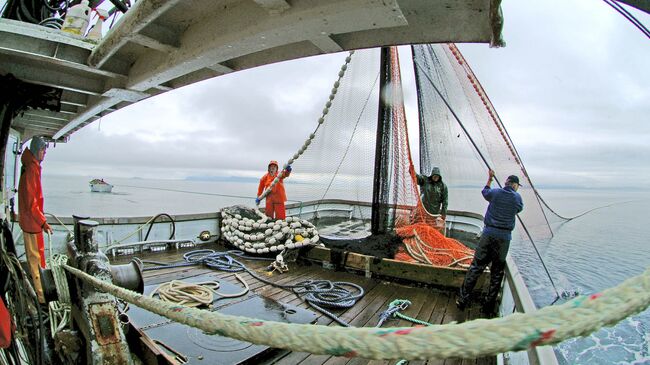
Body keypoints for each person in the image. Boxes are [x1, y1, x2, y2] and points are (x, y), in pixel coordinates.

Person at [456, 169, 523, 313]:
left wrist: (490, 179)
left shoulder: (495, 193)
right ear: (514, 185)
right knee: (497, 272)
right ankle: (488, 306)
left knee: (476, 267)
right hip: (504, 239)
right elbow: (519, 209)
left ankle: (462, 300)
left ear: (506, 183)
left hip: (488, 235)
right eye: (517, 185)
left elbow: (485, 191)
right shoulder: (517, 198)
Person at [18, 136, 52, 304]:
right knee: (36, 261)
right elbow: (32, 202)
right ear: (36, 150)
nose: (44, 153)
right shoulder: (32, 169)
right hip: (32, 224)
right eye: (43, 150)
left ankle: (40, 292)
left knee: (37, 259)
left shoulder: (31, 166)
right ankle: (41, 298)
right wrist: (43, 222)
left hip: (30, 221)